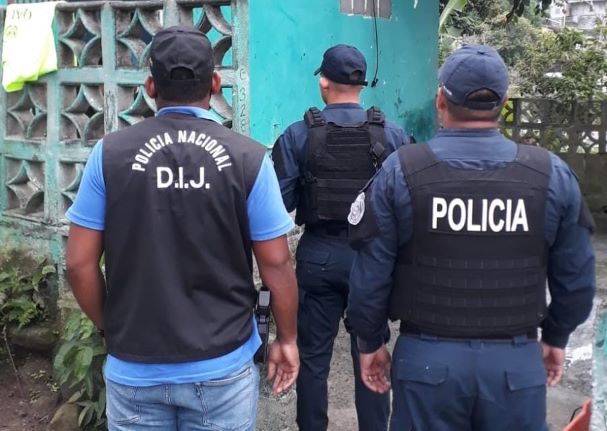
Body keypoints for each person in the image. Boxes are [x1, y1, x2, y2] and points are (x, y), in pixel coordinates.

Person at [347, 44, 596, 431]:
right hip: (515, 367)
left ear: (440, 100)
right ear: (504, 103)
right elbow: (577, 281)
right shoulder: (551, 174)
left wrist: (370, 343)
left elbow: (371, 275)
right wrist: (556, 336)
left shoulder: (401, 171)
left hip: (427, 366)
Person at [65, 26, 299, 431]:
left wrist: (110, 326)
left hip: (134, 366)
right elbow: (277, 263)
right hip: (222, 364)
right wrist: (288, 339)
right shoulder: (248, 158)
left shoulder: (109, 154)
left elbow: (78, 264)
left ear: (150, 86)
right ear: (215, 83)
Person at [271, 44, 411, 431]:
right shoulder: (394, 135)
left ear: (323, 82)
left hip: (319, 256)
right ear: (362, 85)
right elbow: (407, 204)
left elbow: (279, 203)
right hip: (373, 259)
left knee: (312, 358)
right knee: (371, 352)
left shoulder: (298, 134)